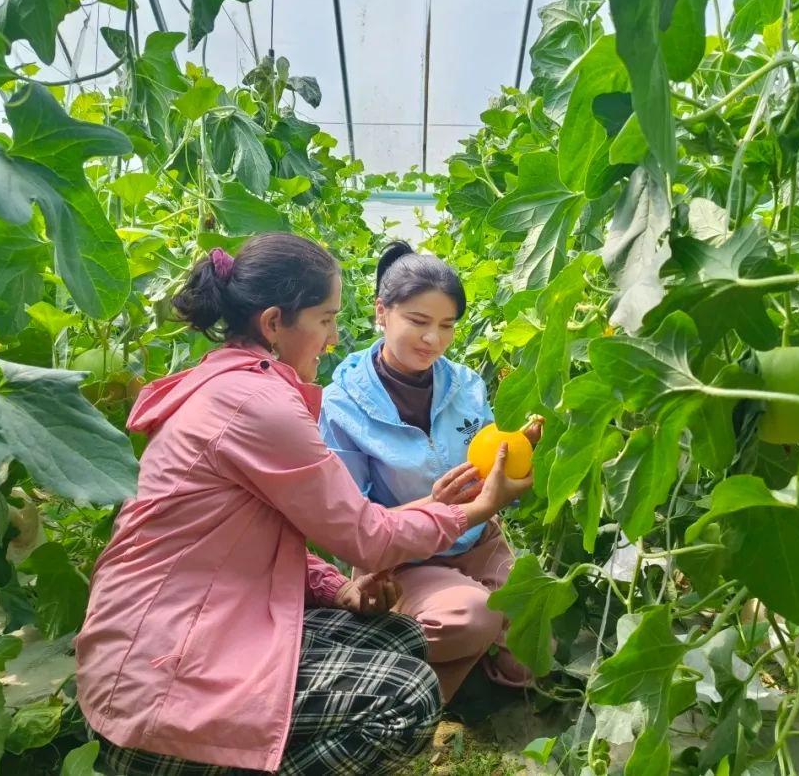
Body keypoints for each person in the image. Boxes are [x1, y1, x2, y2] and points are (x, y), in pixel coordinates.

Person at [73, 232, 531, 776]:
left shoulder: (238, 384)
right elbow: (369, 535)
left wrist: (337, 587)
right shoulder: (256, 403)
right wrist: (476, 508)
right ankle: (196, 761)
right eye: (325, 319)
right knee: (405, 697)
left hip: (197, 629)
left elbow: (262, 537)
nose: (335, 337)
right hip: (157, 677)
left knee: (402, 637)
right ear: (273, 324)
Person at [319, 242, 539, 705]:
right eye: (418, 323)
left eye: (447, 327)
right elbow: (350, 520)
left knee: (530, 653)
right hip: (404, 559)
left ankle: (477, 664)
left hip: (479, 539)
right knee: (473, 617)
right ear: (382, 312)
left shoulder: (466, 385)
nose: (433, 341)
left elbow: (490, 467)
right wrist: (432, 510)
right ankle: (412, 699)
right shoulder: (342, 404)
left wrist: (518, 453)